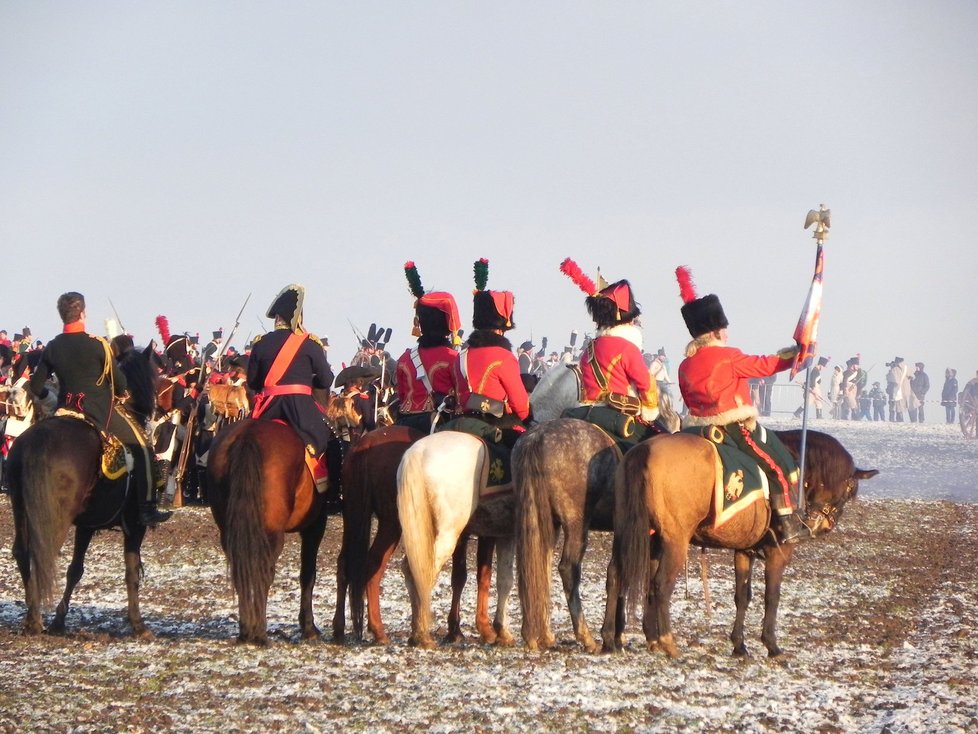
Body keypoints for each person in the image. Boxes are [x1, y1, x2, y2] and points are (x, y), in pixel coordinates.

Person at [674, 266, 809, 544]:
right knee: (779, 463)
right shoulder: (728, 356)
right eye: (724, 328)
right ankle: (787, 521)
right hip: (733, 426)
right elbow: (765, 365)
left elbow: (687, 400)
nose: (727, 333)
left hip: (696, 430)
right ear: (716, 332)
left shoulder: (685, 364)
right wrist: (796, 355)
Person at [28, 292, 171, 526]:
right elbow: (120, 383)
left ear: (62, 315)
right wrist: (122, 392)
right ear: (83, 313)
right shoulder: (98, 345)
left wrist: (50, 398)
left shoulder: (53, 346)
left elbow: (35, 385)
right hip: (99, 411)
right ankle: (147, 507)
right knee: (142, 446)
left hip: (64, 410)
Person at [247, 284, 342, 512]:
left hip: (268, 408)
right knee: (331, 441)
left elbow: (252, 381)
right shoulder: (309, 343)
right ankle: (331, 495)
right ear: (297, 317)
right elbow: (327, 380)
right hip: (300, 408)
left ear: (277, 317)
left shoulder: (261, 343)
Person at [558, 257, 659, 447]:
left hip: (587, 412)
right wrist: (649, 409)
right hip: (617, 412)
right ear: (625, 318)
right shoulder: (626, 348)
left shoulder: (589, 349)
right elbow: (645, 383)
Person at [445, 258, 530, 449]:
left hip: (460, 421)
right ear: (501, 326)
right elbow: (521, 407)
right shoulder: (504, 357)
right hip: (495, 425)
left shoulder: (461, 355)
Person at [395, 261, 462, 432]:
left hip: (403, 423)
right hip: (438, 424)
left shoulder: (404, 359)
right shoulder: (453, 358)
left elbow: (401, 395)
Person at [886, 357, 909, 422]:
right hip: (895, 390)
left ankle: (897, 419)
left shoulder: (899, 370)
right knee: (894, 406)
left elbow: (892, 380)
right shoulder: (896, 370)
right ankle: (895, 419)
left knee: (897, 406)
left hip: (897, 390)